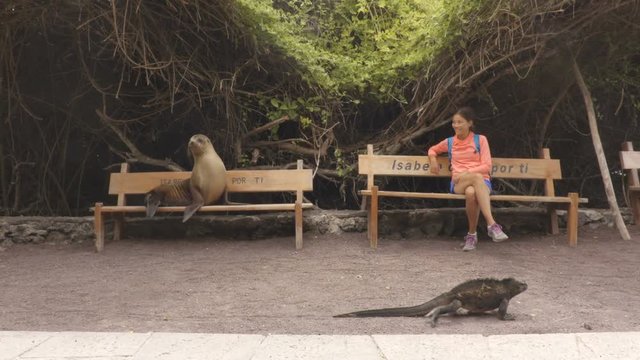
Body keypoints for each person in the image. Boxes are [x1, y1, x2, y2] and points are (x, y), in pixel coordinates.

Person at [427, 107, 508, 251]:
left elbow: (487, 166)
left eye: (460, 122)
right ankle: (492, 224)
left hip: (481, 182)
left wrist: (467, 172)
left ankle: (471, 236)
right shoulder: (450, 142)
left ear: (469, 123)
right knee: (475, 179)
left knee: (471, 193)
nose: (456, 125)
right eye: (454, 122)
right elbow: (433, 149)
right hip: (459, 183)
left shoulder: (480, 140)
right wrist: (433, 160)